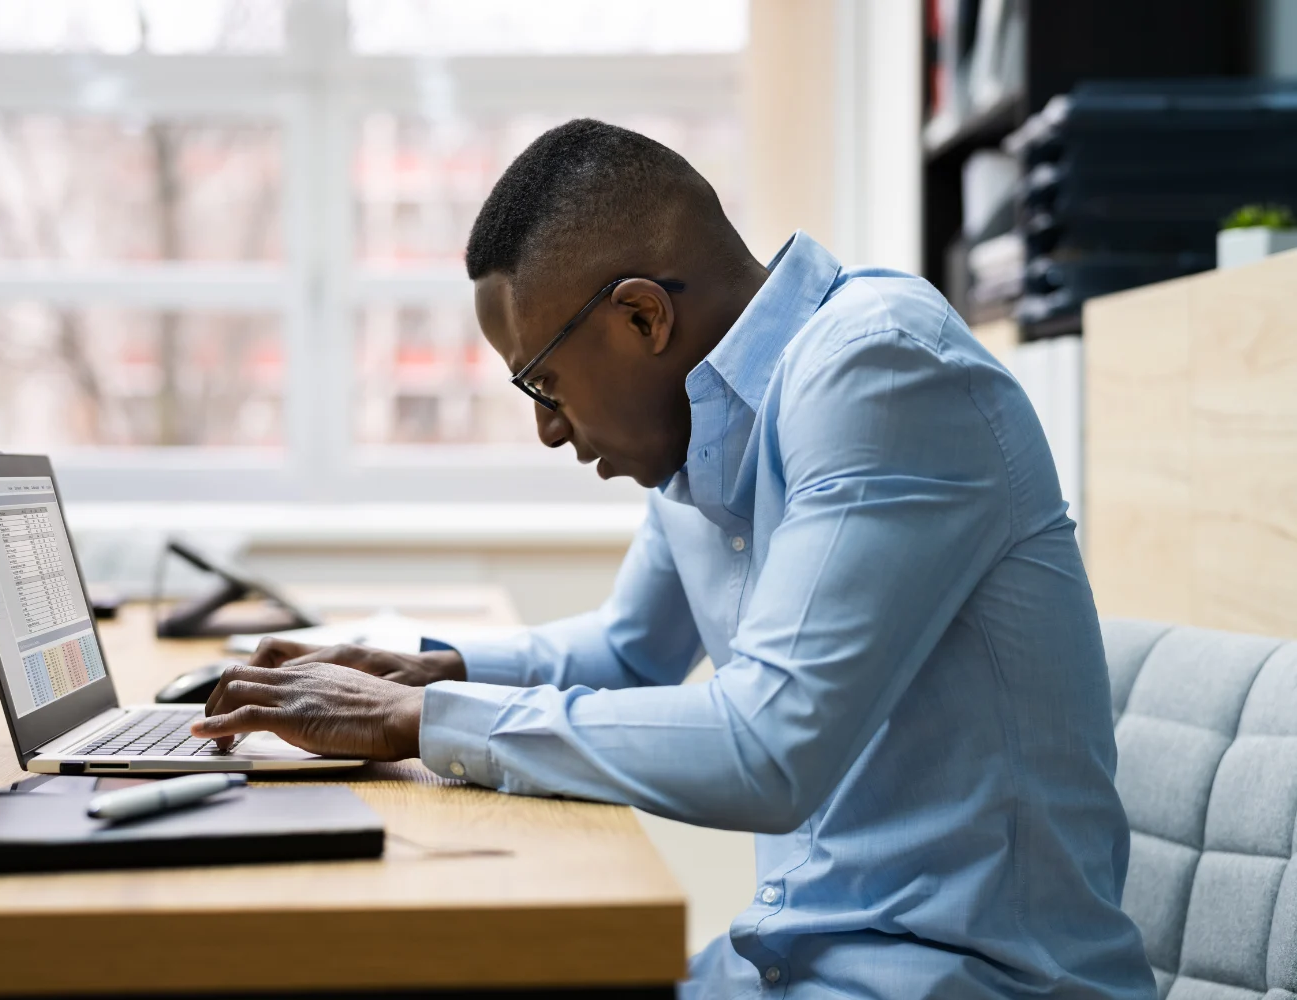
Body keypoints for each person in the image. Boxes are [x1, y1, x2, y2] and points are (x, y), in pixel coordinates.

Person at [192, 119, 1156, 999]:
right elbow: (625, 652)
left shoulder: (879, 374)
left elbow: (768, 748)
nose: (547, 430)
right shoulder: (706, 430)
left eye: (544, 382)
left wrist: (425, 721)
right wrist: (431, 671)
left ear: (644, 317)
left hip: (974, 981)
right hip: (795, 964)